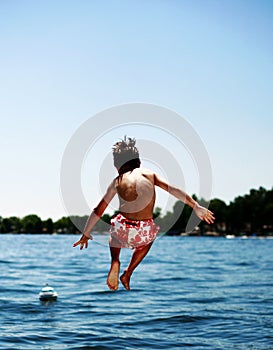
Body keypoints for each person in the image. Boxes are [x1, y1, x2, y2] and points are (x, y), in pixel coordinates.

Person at [73, 136, 215, 291]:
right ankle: (128, 272)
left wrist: (86, 232)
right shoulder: (149, 174)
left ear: (117, 165)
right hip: (144, 230)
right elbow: (173, 190)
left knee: (114, 230)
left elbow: (98, 210)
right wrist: (195, 206)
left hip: (124, 226)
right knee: (149, 238)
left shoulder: (117, 181)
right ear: (138, 161)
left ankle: (115, 261)